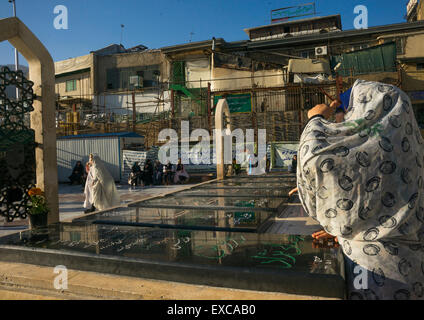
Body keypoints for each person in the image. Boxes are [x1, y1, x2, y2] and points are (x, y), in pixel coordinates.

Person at [296, 80, 424, 300]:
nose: (342, 118)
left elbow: (314, 160)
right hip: (413, 268)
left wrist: (315, 120)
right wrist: (346, 226)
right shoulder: (408, 145)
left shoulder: (357, 151)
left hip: (371, 271)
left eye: (345, 111)